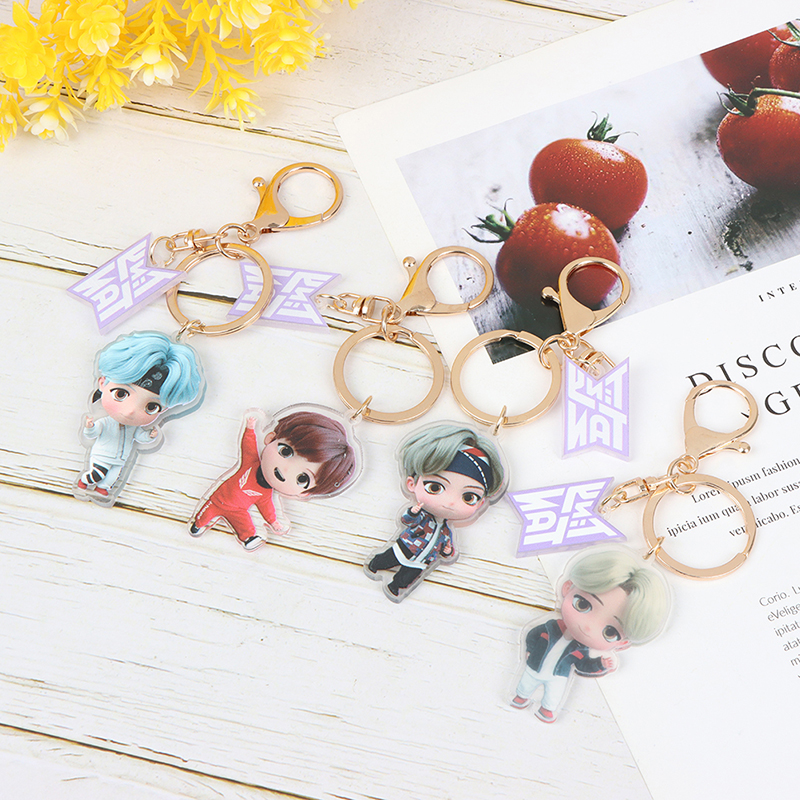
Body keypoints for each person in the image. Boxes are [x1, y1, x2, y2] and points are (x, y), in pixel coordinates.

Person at [511, 547, 669, 723]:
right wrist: (530, 650)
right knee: (526, 683)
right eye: (583, 604)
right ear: (567, 587)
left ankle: (547, 709)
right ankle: (521, 697)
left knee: (554, 694)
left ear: (622, 643)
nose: (587, 627)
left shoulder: (580, 650)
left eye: (610, 632)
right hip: (533, 665)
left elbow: (583, 665)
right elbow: (533, 635)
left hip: (558, 676)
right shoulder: (549, 628)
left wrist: (601, 664)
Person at [365, 423, 506, 602]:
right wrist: (413, 512)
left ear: (480, 503)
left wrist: (447, 551)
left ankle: (395, 587)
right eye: (435, 487)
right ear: (411, 483)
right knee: (388, 559)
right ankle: (375, 564)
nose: (450, 502)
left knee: (406, 578)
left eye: (469, 497)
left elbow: (446, 546)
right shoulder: (422, 515)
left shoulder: (446, 530)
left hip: (423, 560)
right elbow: (407, 520)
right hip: (406, 547)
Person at [190, 408, 359, 551]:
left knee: (245, 526)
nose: (286, 469)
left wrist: (273, 523)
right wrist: (250, 429)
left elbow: (267, 509)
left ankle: (249, 539)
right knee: (204, 516)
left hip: (238, 511)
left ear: (305, 493)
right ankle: (197, 525)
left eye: (302, 478)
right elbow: (248, 446)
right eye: (286, 452)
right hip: (216, 501)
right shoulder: (250, 463)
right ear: (270, 438)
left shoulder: (265, 494)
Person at [76, 331, 203, 505]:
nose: (130, 412)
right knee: (98, 473)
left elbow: (139, 437)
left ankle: (102, 489)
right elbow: (93, 433)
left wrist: (150, 436)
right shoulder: (105, 421)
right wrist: (90, 427)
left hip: (121, 459)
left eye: (152, 407)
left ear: (164, 409)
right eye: (121, 394)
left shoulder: (133, 428)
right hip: (101, 455)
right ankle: (84, 481)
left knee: (112, 478)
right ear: (103, 383)